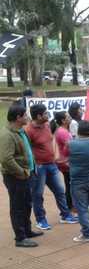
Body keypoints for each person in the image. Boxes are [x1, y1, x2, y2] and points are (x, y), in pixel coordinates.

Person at [26, 104, 78, 230]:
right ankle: (41, 219)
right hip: (39, 167)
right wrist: (34, 165)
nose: (47, 115)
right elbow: (26, 150)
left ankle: (65, 215)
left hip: (51, 164)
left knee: (60, 191)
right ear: (38, 116)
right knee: (38, 194)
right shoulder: (29, 131)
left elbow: (52, 141)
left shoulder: (47, 125)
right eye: (45, 113)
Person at [0, 104, 43, 247]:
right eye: (25, 115)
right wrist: (22, 172)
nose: (27, 117)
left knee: (26, 204)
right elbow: (6, 159)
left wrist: (31, 170)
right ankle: (20, 237)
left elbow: (27, 151)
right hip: (16, 177)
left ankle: (26, 230)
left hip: (27, 174)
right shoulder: (7, 135)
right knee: (17, 206)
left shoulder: (20, 131)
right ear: (18, 118)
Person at [51, 112, 74, 212]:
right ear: (63, 121)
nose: (70, 117)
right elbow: (70, 147)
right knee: (71, 185)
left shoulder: (62, 130)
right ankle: (70, 206)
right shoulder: (63, 132)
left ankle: (70, 205)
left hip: (64, 161)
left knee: (69, 183)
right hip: (66, 162)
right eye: (68, 117)